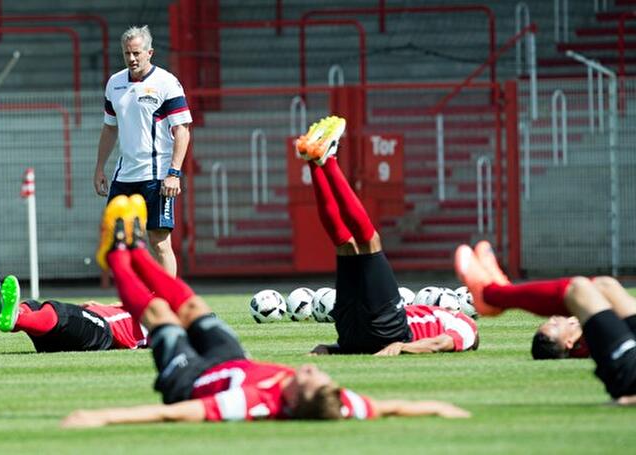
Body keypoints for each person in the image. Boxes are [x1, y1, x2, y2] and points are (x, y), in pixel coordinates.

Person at [60, 195, 470, 427]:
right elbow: (390, 407)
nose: (309, 371)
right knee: (194, 305)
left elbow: (179, 414)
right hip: (231, 359)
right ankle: (133, 247)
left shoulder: (254, 404)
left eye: (306, 380)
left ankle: (116, 256)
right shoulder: (337, 402)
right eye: (317, 375)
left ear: (293, 402)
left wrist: (102, 418)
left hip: (189, 378)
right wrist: (438, 407)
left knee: (161, 318)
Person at [295, 117, 478, 356]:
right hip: (354, 335)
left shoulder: (468, 329)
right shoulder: (433, 313)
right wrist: (333, 349)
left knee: (369, 242)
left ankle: (327, 161)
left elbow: (440, 344)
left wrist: (402, 346)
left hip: (389, 330)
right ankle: (313, 161)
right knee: (345, 245)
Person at [455, 241, 636, 404]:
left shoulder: (587, 342)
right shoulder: (585, 339)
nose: (554, 318)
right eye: (555, 325)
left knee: (579, 289)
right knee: (605, 285)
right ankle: (497, 292)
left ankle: (492, 294)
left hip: (629, 372)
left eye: (554, 323)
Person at [93, 25, 192, 276]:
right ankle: (135, 300)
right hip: (124, 176)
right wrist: (99, 168)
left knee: (159, 242)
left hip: (157, 176)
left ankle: (169, 302)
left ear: (150, 52)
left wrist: (174, 173)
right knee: (118, 243)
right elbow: (109, 128)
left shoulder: (166, 82)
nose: (132, 59)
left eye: (137, 53)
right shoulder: (114, 83)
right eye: (127, 53)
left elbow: (182, 130)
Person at [0, 274, 146, 352]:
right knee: (34, 306)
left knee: (61, 314)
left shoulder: (164, 320)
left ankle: (14, 318)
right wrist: (104, 306)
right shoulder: (149, 305)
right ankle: (3, 316)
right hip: (92, 323)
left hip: (104, 332)